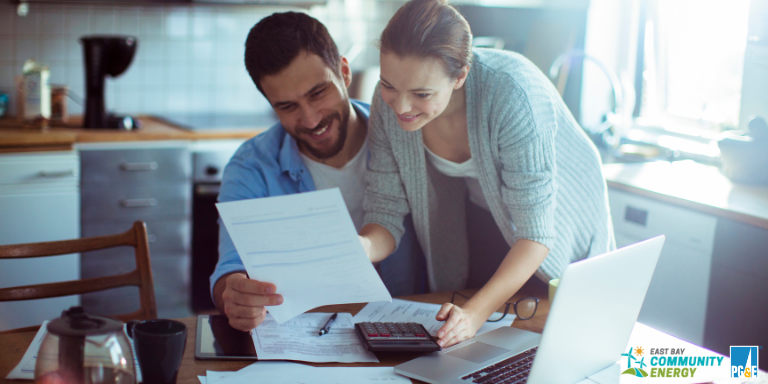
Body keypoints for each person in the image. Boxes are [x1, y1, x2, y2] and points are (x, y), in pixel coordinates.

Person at [358, 0, 615, 348]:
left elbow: (536, 234)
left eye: (421, 94)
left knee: (558, 335)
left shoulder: (513, 94)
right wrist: (361, 247)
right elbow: (385, 212)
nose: (400, 107)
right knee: (483, 346)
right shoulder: (386, 103)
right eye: (389, 85)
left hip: (557, 221)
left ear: (460, 75)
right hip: (483, 212)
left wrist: (474, 314)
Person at [211, 12, 425, 332]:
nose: (311, 120)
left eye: (317, 93)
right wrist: (236, 294)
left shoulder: (405, 136)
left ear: (344, 71)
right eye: (287, 106)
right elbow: (230, 270)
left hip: (411, 329)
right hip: (307, 337)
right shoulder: (251, 167)